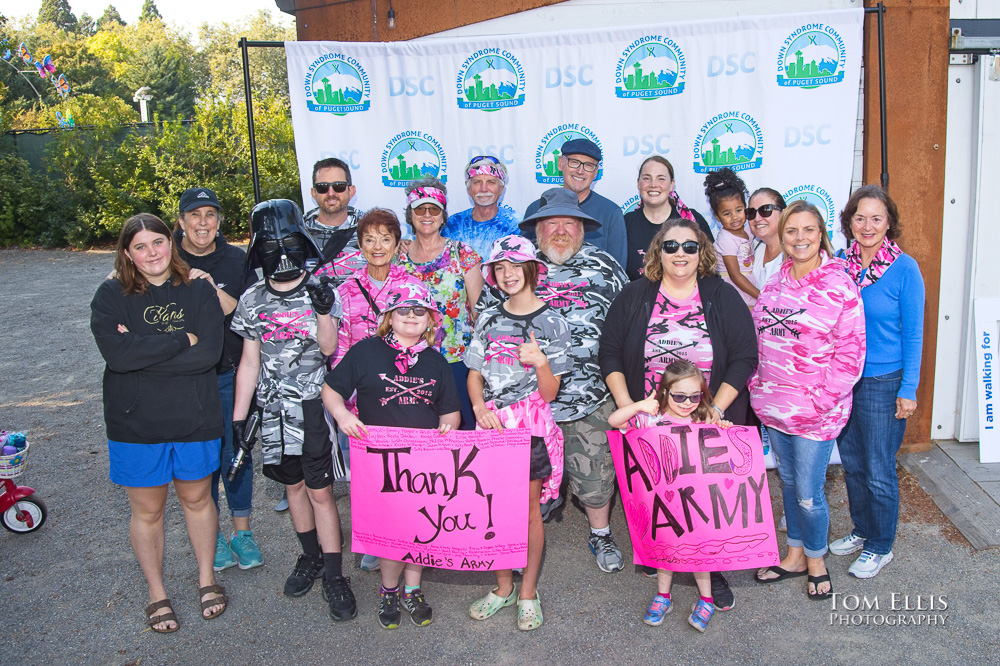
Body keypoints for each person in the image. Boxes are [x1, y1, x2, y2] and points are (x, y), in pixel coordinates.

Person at [598, 216, 757, 611]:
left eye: (689, 246)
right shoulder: (635, 295)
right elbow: (611, 353)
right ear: (658, 252)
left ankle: (711, 570)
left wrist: (714, 409)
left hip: (706, 423)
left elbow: (744, 356)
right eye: (671, 246)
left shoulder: (721, 294)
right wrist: (628, 408)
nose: (680, 253)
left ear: (702, 252)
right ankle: (663, 553)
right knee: (663, 499)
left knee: (705, 500)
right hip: (653, 423)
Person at [91, 213, 228, 633]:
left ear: (172, 243)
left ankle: (207, 579)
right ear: (127, 254)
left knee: (197, 500)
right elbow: (118, 357)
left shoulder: (201, 290)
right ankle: (157, 592)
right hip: (136, 423)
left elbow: (208, 355)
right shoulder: (110, 295)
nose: (152, 253)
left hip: (195, 415)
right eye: (140, 246)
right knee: (147, 511)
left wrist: (141, 353)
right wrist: (177, 340)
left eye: (158, 242)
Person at [482, 188, 627, 572]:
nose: (560, 231)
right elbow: (484, 331)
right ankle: (517, 540)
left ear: (582, 229)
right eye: (551, 223)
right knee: (517, 484)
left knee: (595, 477)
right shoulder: (511, 266)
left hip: (587, 397)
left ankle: (600, 534)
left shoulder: (605, 266)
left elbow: (628, 326)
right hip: (522, 405)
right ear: (537, 229)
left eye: (569, 223)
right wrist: (486, 400)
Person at [230, 199, 356, 622]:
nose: (280, 253)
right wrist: (239, 415)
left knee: (321, 492)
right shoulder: (252, 298)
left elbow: (328, 348)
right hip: (272, 410)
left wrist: (322, 310)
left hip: (310, 406)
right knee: (293, 488)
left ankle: (336, 575)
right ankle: (311, 557)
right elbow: (249, 361)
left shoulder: (322, 289)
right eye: (270, 244)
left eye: (287, 242)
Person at [323, 283, 461, 629]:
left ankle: (412, 589)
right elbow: (331, 389)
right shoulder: (365, 352)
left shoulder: (436, 360)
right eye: (403, 310)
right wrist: (343, 416)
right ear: (388, 317)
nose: (411, 316)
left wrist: (448, 429)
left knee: (419, 527)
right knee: (390, 529)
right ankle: (388, 589)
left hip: (424, 462)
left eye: (419, 311)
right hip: (379, 461)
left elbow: (450, 410)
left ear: (430, 318)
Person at [751, 200, 865, 600]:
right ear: (781, 237)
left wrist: (818, 402)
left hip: (817, 414)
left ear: (822, 236)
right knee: (787, 483)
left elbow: (851, 356)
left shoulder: (840, 286)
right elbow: (758, 339)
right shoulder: (773, 282)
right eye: (791, 231)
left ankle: (816, 561)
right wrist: (756, 386)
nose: (800, 239)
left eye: (808, 230)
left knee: (808, 493)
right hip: (774, 407)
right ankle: (794, 554)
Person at [465, 236, 573, 632]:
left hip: (530, 431)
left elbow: (550, 393)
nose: (507, 274)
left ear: (531, 269)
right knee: (490, 508)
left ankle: (527, 592)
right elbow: (474, 374)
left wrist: (541, 362)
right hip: (491, 426)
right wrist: (478, 407)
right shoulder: (488, 318)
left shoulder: (554, 321)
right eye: (499, 268)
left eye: (514, 266)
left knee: (527, 512)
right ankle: (502, 587)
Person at [832, 186, 924, 578]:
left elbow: (915, 333)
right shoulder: (839, 264)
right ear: (849, 222)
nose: (867, 226)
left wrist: (909, 389)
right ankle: (862, 530)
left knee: (878, 467)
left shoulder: (906, 269)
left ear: (889, 223)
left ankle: (881, 545)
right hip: (843, 380)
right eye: (859, 217)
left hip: (884, 381)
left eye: (876, 218)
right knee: (852, 464)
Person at [172, 187, 262, 574]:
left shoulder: (234, 259)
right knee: (200, 461)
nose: (203, 223)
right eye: (195, 215)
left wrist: (208, 284)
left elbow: (242, 312)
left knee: (235, 454)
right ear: (181, 222)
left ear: (219, 221)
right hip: (184, 378)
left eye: (210, 215)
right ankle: (214, 538)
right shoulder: (167, 258)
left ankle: (242, 533)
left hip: (229, 372)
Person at [608, 361, 732, 633]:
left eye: (695, 396)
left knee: (701, 552)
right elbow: (614, 421)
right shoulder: (649, 419)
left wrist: (723, 428)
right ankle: (663, 596)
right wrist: (640, 405)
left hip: (699, 503)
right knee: (667, 552)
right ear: (664, 392)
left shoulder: (703, 419)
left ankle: (707, 599)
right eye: (679, 396)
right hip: (664, 504)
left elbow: (722, 450)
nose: (687, 403)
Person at [334, 207, 424, 572]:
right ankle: (376, 539)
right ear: (359, 244)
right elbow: (341, 346)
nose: (377, 246)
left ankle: (413, 533)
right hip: (360, 398)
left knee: (407, 472)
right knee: (368, 476)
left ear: (397, 244)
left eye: (385, 239)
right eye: (369, 239)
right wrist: (345, 394)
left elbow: (424, 338)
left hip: (403, 393)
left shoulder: (413, 286)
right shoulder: (345, 289)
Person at [399, 177, 484, 430]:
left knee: (463, 432)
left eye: (434, 209)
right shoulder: (396, 258)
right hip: (410, 362)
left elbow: (479, 311)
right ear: (410, 214)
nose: (427, 215)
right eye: (420, 209)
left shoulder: (463, 255)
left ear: (443, 215)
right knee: (420, 432)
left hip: (458, 362)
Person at [523, 139, 628, 268]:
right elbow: (523, 263)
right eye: (574, 162)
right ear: (560, 163)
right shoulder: (536, 209)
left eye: (588, 165)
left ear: (595, 172)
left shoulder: (611, 213)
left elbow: (618, 269)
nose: (580, 171)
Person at [623, 156, 713, 281]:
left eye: (661, 179)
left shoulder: (692, 220)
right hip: (637, 299)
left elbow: (709, 268)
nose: (653, 185)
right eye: (647, 178)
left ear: (672, 185)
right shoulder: (625, 223)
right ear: (638, 183)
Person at [441, 155, 522, 259]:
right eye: (477, 182)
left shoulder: (517, 224)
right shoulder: (453, 225)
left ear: (501, 188)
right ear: (469, 189)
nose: (484, 189)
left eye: (491, 182)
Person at [304, 157, 366, 285]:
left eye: (339, 186)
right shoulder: (298, 236)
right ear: (313, 193)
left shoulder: (371, 230)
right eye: (322, 187)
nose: (331, 193)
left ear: (351, 191)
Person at [706, 168, 756, 306]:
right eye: (727, 214)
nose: (734, 217)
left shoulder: (749, 230)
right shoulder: (726, 240)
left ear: (745, 208)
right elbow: (735, 276)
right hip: (736, 290)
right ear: (717, 217)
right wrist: (761, 295)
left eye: (739, 210)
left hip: (748, 284)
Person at [747, 187, 787, 288]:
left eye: (765, 210)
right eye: (751, 212)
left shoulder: (797, 254)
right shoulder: (750, 247)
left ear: (783, 213)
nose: (757, 218)